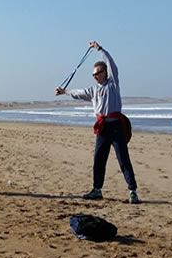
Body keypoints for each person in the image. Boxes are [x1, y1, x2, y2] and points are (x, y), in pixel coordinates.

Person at [55, 41, 139, 203]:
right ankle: (97, 189)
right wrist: (64, 91)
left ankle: (132, 191)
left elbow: (111, 62)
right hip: (102, 129)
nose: (94, 76)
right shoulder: (93, 90)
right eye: (93, 74)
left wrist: (99, 49)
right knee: (99, 160)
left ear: (105, 73)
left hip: (116, 127)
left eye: (97, 73)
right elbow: (78, 93)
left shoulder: (113, 83)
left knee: (123, 160)